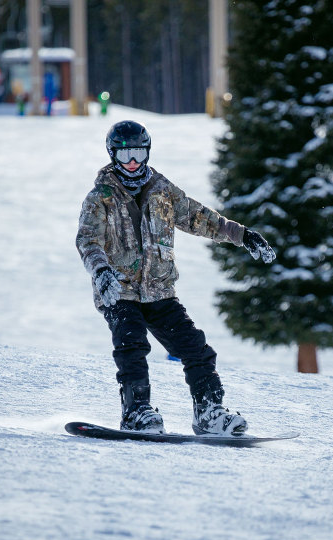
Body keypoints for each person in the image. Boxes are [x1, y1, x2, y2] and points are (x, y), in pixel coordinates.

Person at [76, 120, 276, 435]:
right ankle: (136, 412)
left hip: (159, 291)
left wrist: (243, 235)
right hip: (119, 290)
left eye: (139, 153)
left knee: (196, 348)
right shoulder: (100, 196)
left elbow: (200, 217)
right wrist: (101, 271)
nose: (133, 162)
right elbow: (88, 241)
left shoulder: (162, 190)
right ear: (112, 154)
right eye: (125, 154)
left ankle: (209, 412)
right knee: (132, 346)